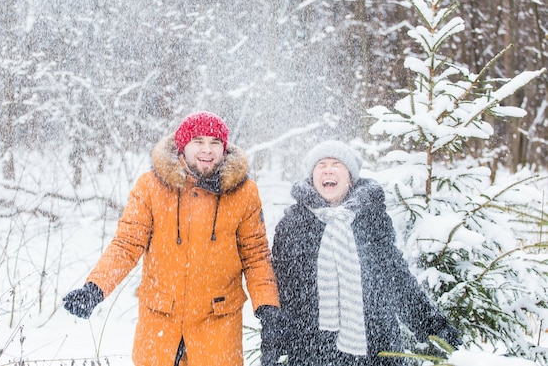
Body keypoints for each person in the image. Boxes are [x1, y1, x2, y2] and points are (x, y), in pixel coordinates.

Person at [63, 111, 282, 366]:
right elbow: (126, 245)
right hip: (161, 326)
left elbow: (256, 258)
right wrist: (94, 288)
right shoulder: (151, 186)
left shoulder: (244, 193)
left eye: (215, 143)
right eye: (198, 141)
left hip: (217, 330)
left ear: (224, 149)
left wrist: (268, 309)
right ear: (183, 145)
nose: (207, 150)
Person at [266, 140, 461, 366]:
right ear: (312, 177)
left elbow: (397, 280)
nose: (328, 169)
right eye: (321, 164)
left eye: (336, 163)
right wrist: (274, 352)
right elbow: (282, 292)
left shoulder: (371, 218)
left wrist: (437, 333)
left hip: (376, 345)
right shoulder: (292, 224)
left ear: (351, 178)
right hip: (312, 348)